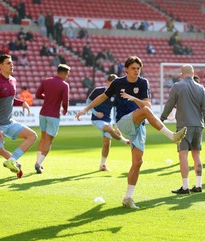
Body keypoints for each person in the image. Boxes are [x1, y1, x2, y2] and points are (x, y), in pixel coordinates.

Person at [75, 56, 187, 209]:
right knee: (145, 111)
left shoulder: (143, 82)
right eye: (133, 68)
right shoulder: (117, 82)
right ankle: (172, 136)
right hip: (124, 121)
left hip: (138, 124)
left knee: (138, 162)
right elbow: (102, 96)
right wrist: (85, 109)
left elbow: (147, 104)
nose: (136, 71)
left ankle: (128, 198)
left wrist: (133, 98)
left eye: (138, 68)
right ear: (126, 69)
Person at [0, 54, 38, 196]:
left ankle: (12, 160)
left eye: (12, 63)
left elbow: (9, 100)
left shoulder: (13, 81)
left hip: (9, 122)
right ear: (0, 66)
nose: (12, 65)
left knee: (32, 136)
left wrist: (21, 102)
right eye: (8, 63)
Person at [160, 64, 205, 194]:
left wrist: (162, 118)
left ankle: (185, 187)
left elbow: (170, 103)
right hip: (198, 126)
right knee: (196, 154)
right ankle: (198, 185)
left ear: (181, 75)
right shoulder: (201, 88)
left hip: (183, 126)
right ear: (193, 74)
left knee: (183, 154)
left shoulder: (177, 86)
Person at [87, 74, 130, 171]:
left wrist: (116, 126)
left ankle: (102, 165)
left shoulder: (116, 95)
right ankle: (125, 141)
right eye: (112, 83)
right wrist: (95, 112)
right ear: (107, 82)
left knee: (106, 143)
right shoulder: (98, 91)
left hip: (108, 120)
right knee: (109, 128)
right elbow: (88, 102)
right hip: (97, 119)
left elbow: (115, 112)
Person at [34, 64, 70, 174]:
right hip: (53, 115)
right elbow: (65, 101)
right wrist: (65, 109)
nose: (67, 77)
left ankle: (38, 161)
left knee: (43, 138)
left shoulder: (46, 81)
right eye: (67, 74)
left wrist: (47, 97)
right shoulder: (64, 85)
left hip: (43, 113)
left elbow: (38, 94)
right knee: (49, 141)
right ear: (63, 73)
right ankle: (38, 163)